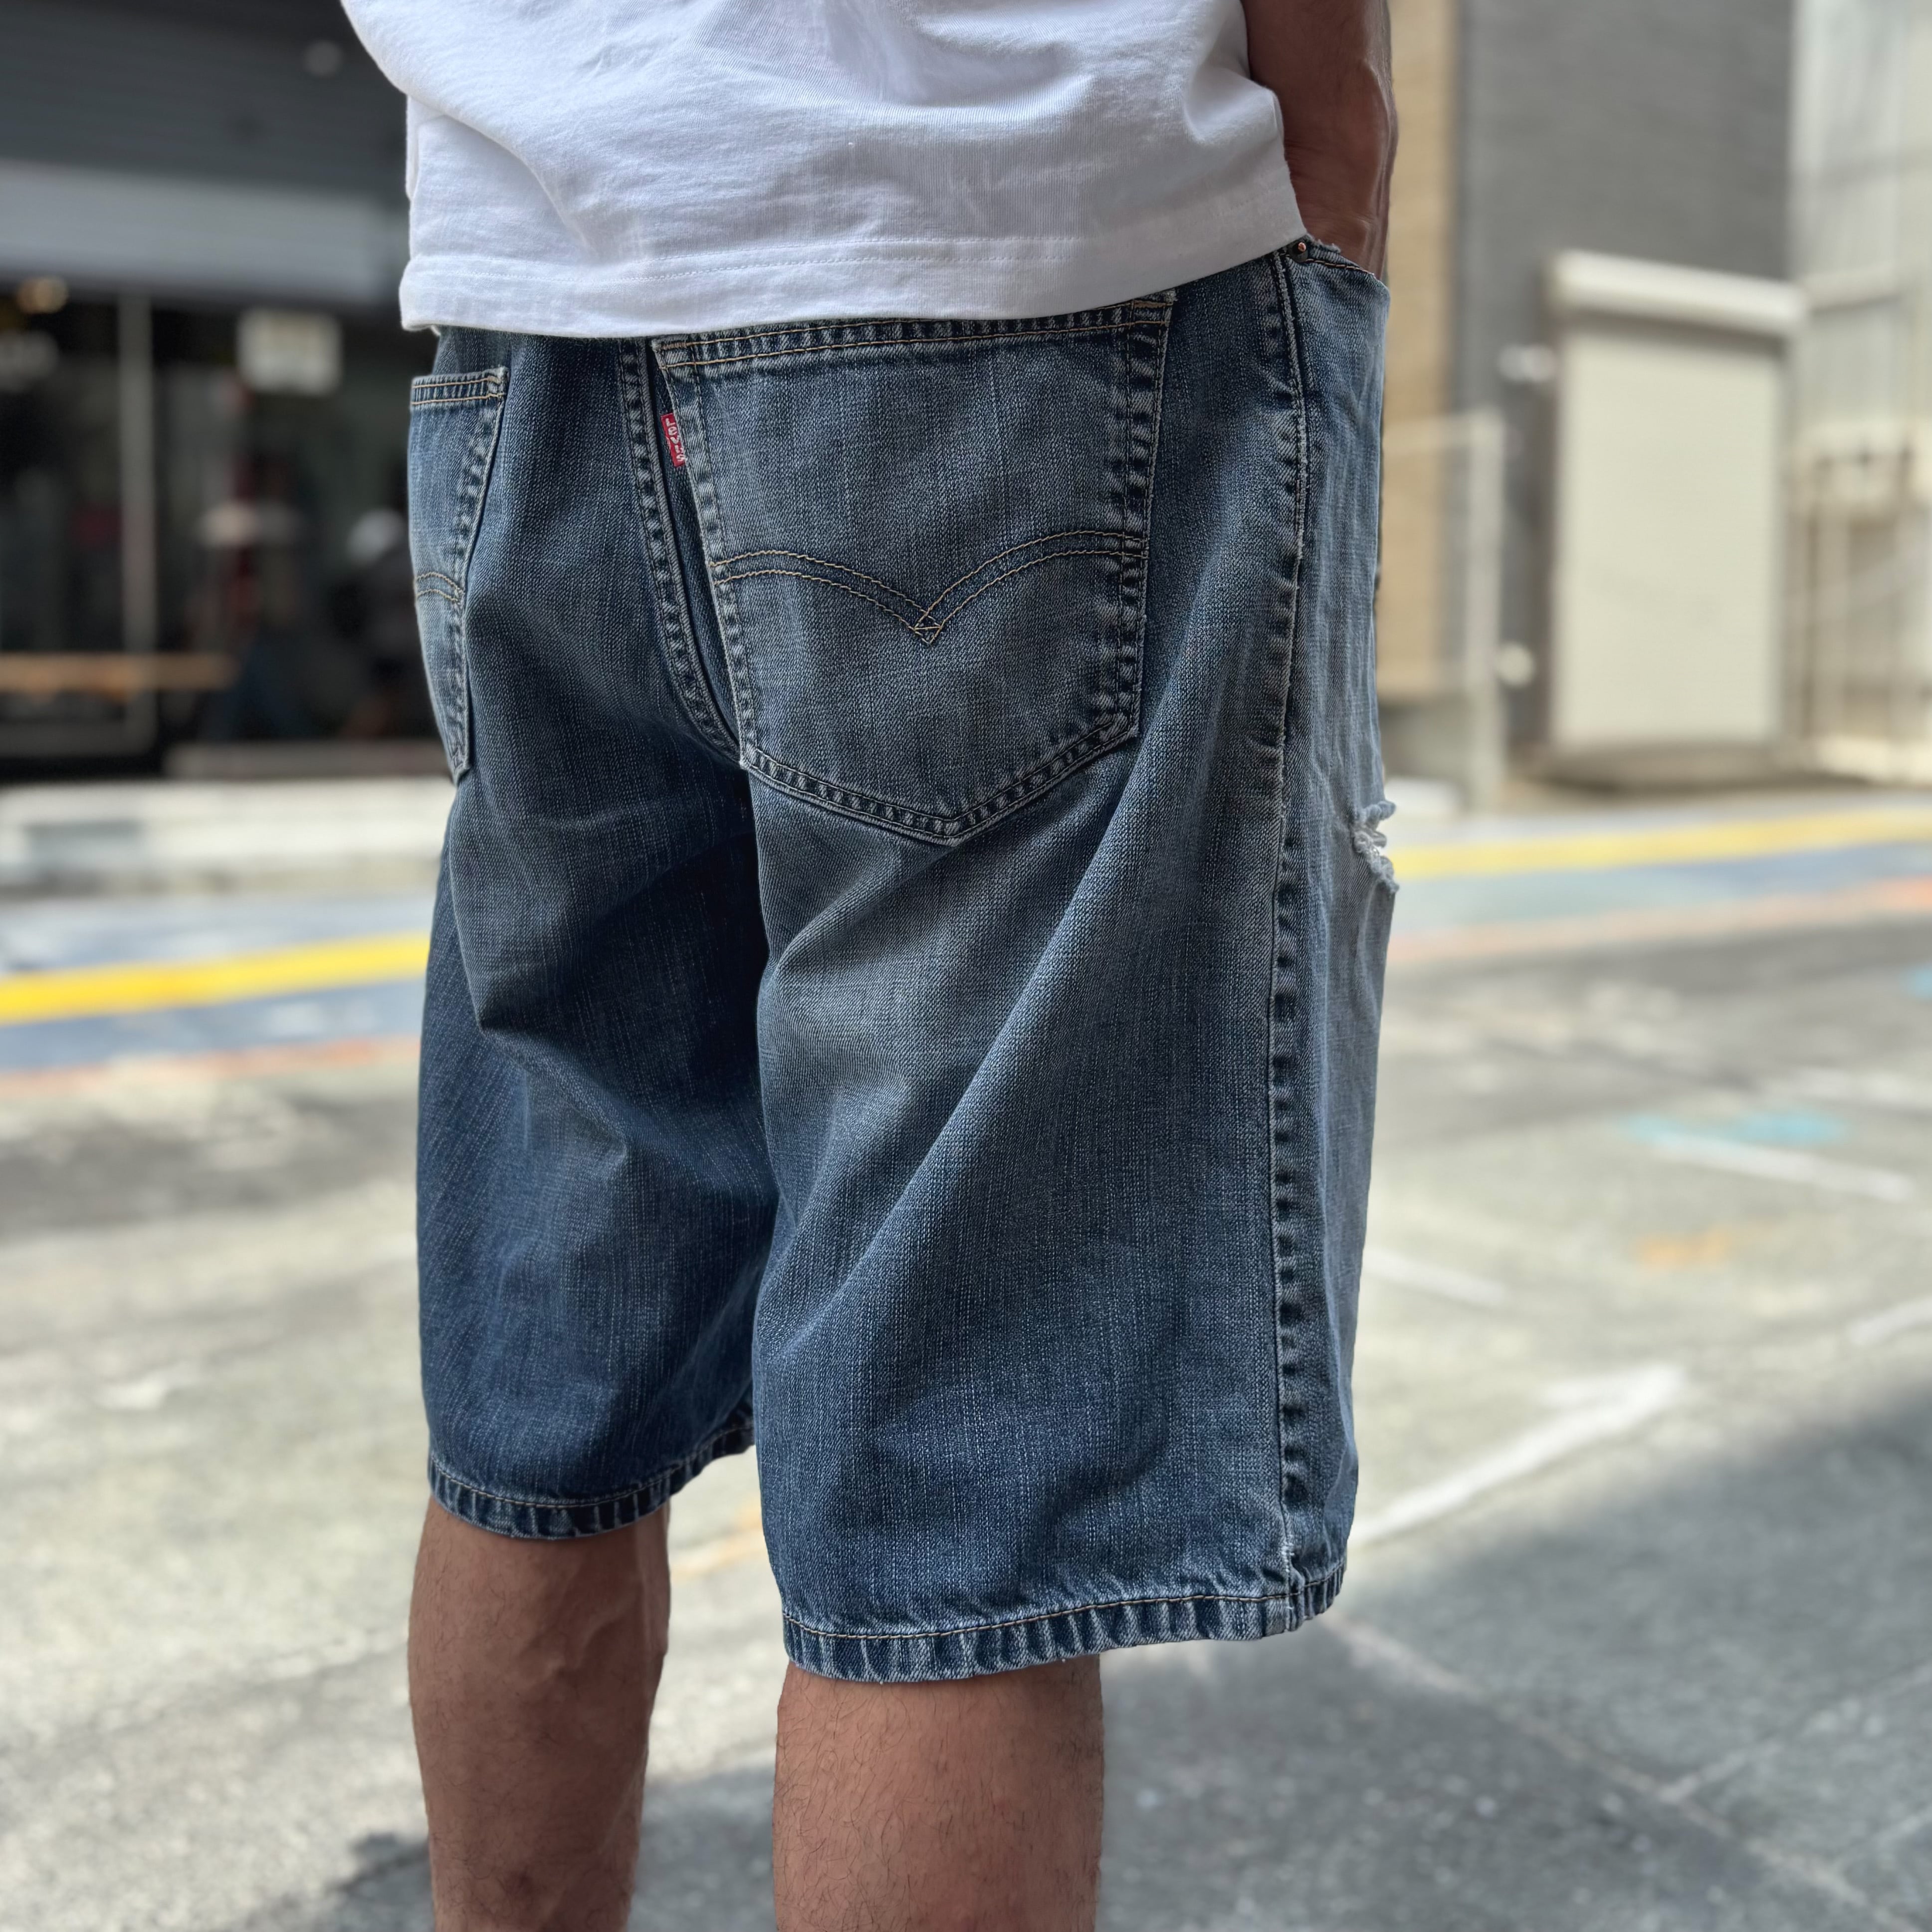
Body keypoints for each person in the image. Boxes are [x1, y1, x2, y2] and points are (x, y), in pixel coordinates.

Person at [340, 3, 1396, 1926]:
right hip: (1025, 254)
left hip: (531, 301)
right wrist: (1335, 169)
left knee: (548, 1346)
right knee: (959, 1429)